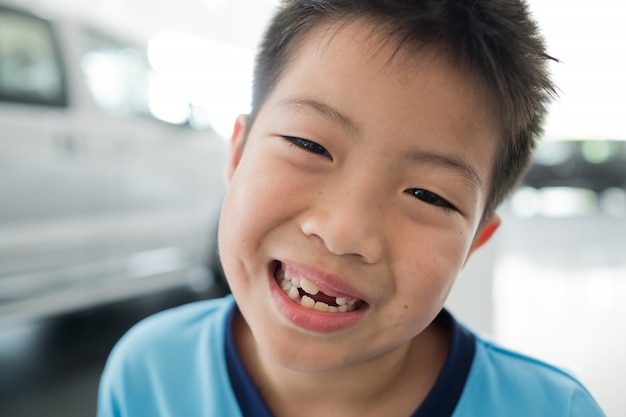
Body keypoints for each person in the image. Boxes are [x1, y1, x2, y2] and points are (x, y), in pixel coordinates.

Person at [97, 1, 606, 416]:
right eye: (308, 145)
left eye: (428, 195)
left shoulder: (554, 409)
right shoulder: (148, 374)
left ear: (474, 244)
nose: (344, 232)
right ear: (237, 152)